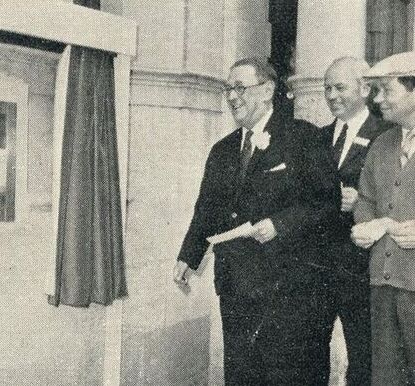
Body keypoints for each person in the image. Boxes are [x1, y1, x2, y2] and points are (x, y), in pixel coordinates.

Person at [173, 57, 340, 385]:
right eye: (228, 88)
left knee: (288, 376)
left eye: (240, 88)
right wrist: (187, 257)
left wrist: (281, 224)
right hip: (236, 287)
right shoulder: (221, 151)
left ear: (267, 90)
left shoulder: (303, 138)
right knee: (242, 375)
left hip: (290, 291)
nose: (232, 96)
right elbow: (205, 211)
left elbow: (327, 204)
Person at [318, 56, 392, 386]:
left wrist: (359, 203)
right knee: (309, 352)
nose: (332, 95)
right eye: (327, 88)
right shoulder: (317, 139)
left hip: (361, 268)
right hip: (318, 267)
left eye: (340, 87)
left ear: (364, 89)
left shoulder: (387, 135)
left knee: (364, 357)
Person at [353, 50, 415, 386]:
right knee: (387, 378)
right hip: (383, 284)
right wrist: (366, 225)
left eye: (387, 91)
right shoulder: (383, 143)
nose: (378, 100)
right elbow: (366, 198)